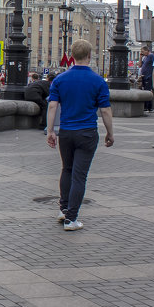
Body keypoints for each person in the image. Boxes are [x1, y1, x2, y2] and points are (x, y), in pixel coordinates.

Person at [46, 39, 114, 231]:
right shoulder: (98, 81)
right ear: (90, 56)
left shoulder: (60, 79)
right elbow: (106, 110)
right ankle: (71, 219)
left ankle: (63, 209)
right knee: (79, 176)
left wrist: (50, 130)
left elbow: (52, 106)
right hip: (87, 133)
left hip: (66, 132)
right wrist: (110, 133)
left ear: (72, 56)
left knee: (66, 169)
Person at [138, 45, 154, 112]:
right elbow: (140, 65)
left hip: (149, 76)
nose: (142, 53)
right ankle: (146, 106)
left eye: (142, 51)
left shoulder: (151, 56)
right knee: (145, 90)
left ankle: (149, 107)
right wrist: (140, 57)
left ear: (147, 51)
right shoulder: (145, 58)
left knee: (148, 91)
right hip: (144, 76)